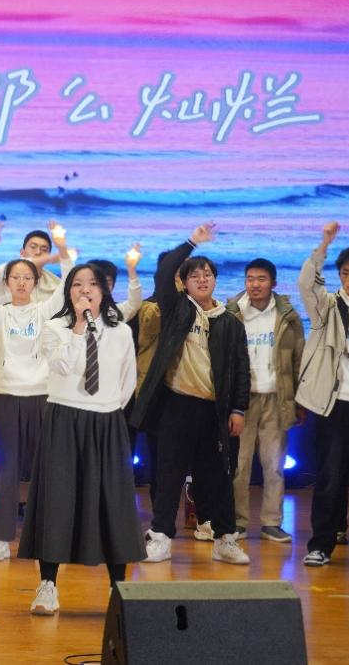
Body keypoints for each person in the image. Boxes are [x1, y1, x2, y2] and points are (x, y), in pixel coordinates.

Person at [18, 263, 145, 615]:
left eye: (92, 284)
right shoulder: (54, 328)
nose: (85, 290)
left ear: (104, 291)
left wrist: (106, 409)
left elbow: (127, 380)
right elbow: (62, 366)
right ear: (68, 292)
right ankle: (48, 585)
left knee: (112, 503)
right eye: (77, 284)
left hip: (106, 422)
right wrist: (78, 326)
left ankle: (118, 588)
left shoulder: (120, 331)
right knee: (57, 501)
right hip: (64, 419)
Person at [132, 223, 251, 566]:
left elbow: (242, 370)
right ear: (183, 283)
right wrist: (192, 242)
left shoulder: (230, 322)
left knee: (218, 478)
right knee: (169, 475)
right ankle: (160, 538)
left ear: (215, 280)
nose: (201, 279)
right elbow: (165, 270)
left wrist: (238, 409)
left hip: (214, 411)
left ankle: (224, 539)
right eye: (194, 275)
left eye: (207, 274)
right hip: (176, 404)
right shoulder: (177, 309)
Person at [0, 221, 71, 561]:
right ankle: (1, 539)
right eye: (16, 277)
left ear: (36, 282)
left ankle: (49, 535)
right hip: (8, 398)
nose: (22, 282)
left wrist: (62, 246)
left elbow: (67, 284)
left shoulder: (45, 311)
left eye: (28, 278)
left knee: (47, 469)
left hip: (42, 397)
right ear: (7, 282)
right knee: (5, 469)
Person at [297, 222, 349, 567]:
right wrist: (323, 245)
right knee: (330, 478)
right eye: (345, 273)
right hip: (335, 405)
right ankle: (321, 546)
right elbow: (306, 283)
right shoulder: (329, 307)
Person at [226, 258, 304, 542]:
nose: (254, 284)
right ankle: (237, 522)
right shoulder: (232, 312)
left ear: (273, 283)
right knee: (239, 465)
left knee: (274, 465)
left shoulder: (288, 316)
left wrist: (299, 400)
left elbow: (298, 359)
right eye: (250, 278)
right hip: (241, 401)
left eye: (261, 279)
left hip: (276, 398)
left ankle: (272, 522)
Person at [0, 228, 64, 304]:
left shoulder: (55, 283)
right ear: (22, 252)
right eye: (33, 247)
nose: (38, 252)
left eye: (44, 249)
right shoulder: (4, 272)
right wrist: (49, 258)